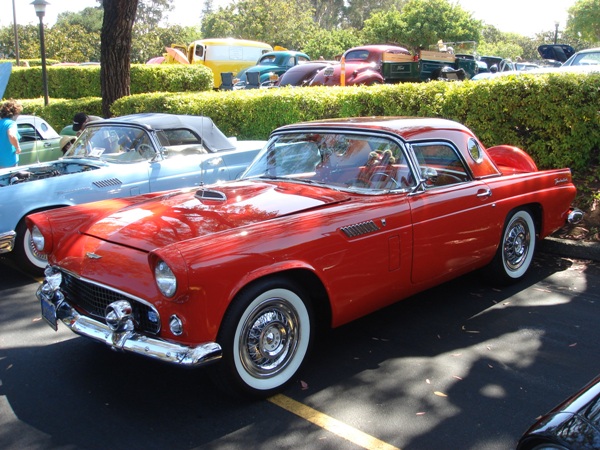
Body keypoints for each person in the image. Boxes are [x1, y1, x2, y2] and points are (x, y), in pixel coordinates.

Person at [0, 99, 23, 168]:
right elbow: (11, 135)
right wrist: (18, 147)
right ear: (15, 113)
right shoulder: (11, 123)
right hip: (8, 162)